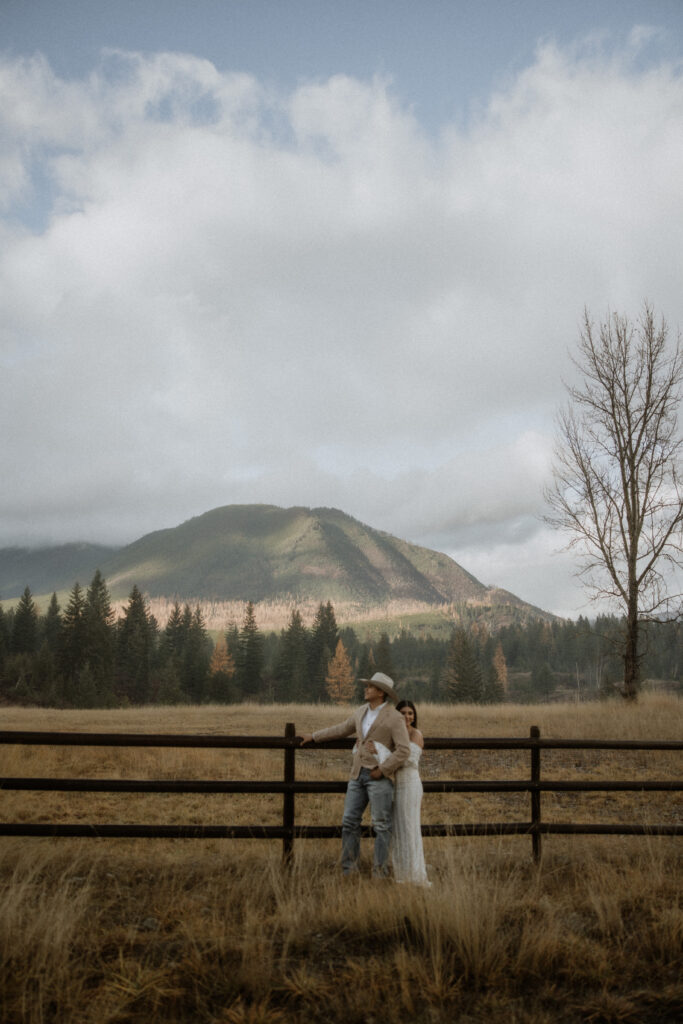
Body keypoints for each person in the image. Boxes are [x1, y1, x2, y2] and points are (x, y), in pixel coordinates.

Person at [300, 671, 410, 877]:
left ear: (381, 692)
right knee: (349, 821)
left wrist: (383, 770)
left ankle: (380, 871)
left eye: (370, 686)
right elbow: (341, 729)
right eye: (367, 686)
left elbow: (403, 750)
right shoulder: (360, 712)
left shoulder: (395, 717)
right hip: (357, 775)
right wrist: (314, 736)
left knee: (382, 825)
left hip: (379, 778)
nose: (366, 689)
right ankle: (349, 870)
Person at [391, 700, 430, 885]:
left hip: (410, 784)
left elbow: (405, 760)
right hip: (395, 785)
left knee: (410, 827)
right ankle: (401, 874)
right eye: (403, 713)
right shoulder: (393, 734)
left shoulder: (416, 734)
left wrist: (382, 754)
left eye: (410, 713)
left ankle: (415, 875)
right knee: (398, 828)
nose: (407, 717)